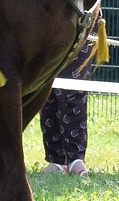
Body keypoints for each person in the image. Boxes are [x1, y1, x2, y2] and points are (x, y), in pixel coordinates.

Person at [40, 22, 105, 176]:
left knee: (72, 90)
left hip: (82, 20)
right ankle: (57, 159)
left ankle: (76, 159)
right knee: (46, 92)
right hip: (47, 18)